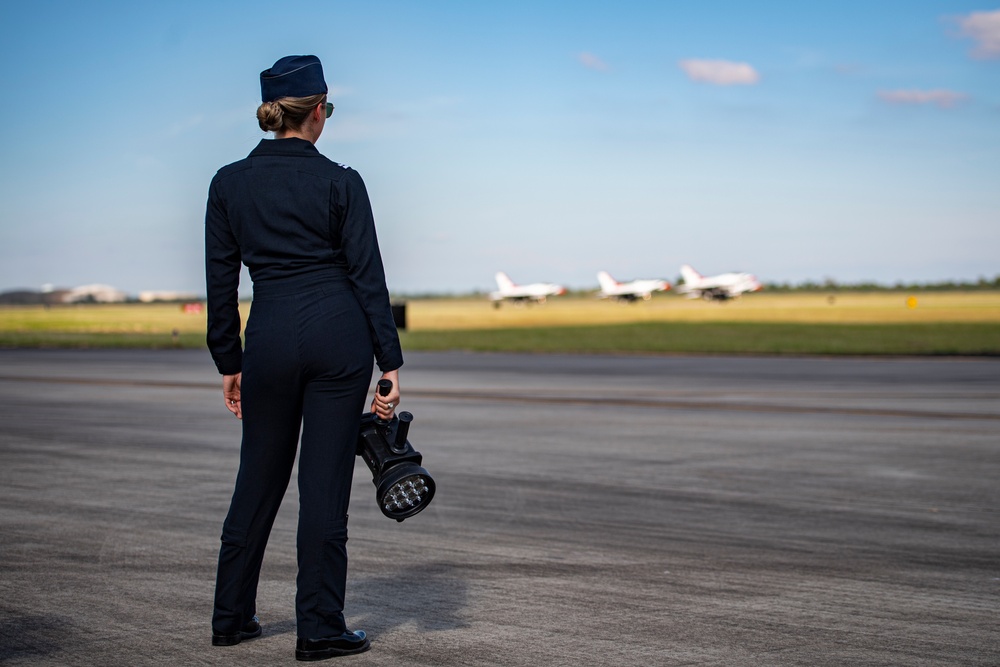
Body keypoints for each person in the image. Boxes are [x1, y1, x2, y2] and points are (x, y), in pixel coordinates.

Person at [205, 54, 403, 661]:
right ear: (318, 112)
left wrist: (229, 361)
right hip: (337, 340)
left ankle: (231, 618)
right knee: (323, 492)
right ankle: (319, 628)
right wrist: (388, 363)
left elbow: (221, 284)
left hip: (268, 336)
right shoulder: (343, 181)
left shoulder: (228, 182)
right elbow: (368, 277)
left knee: (256, 483)